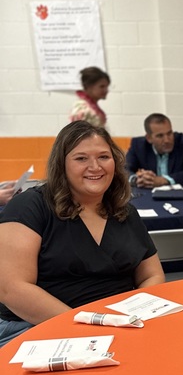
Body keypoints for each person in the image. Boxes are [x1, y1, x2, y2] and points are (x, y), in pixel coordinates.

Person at [0, 122, 164, 347]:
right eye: (81, 158)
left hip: (118, 327)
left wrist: (134, 317)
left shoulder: (125, 212)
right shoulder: (29, 206)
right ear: (62, 165)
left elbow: (152, 276)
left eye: (104, 157)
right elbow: (12, 288)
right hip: (36, 326)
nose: (95, 166)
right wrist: (88, 327)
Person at [126, 114, 183, 188]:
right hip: (151, 196)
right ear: (149, 138)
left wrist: (164, 180)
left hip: (182, 194)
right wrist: (136, 179)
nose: (166, 140)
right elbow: (124, 170)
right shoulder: (138, 146)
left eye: (169, 133)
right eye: (160, 136)